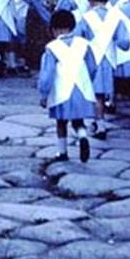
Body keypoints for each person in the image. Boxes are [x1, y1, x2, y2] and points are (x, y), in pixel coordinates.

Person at [38, 10, 97, 163]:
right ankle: (83, 136)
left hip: (62, 91)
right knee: (78, 121)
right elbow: (92, 67)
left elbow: (48, 74)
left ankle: (62, 152)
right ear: (72, 26)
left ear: (55, 29)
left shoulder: (52, 47)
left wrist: (44, 94)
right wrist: (88, 81)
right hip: (81, 89)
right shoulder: (84, 44)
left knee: (61, 122)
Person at [74, 0, 130, 139]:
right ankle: (98, 122)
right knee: (102, 94)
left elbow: (77, 38)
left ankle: (100, 126)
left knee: (96, 95)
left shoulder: (87, 18)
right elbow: (125, 43)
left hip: (92, 59)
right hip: (109, 60)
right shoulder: (116, 17)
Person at [13, 0, 51, 73]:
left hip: (14, 18)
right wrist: (52, 22)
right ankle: (29, 62)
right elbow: (42, 12)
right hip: (24, 19)